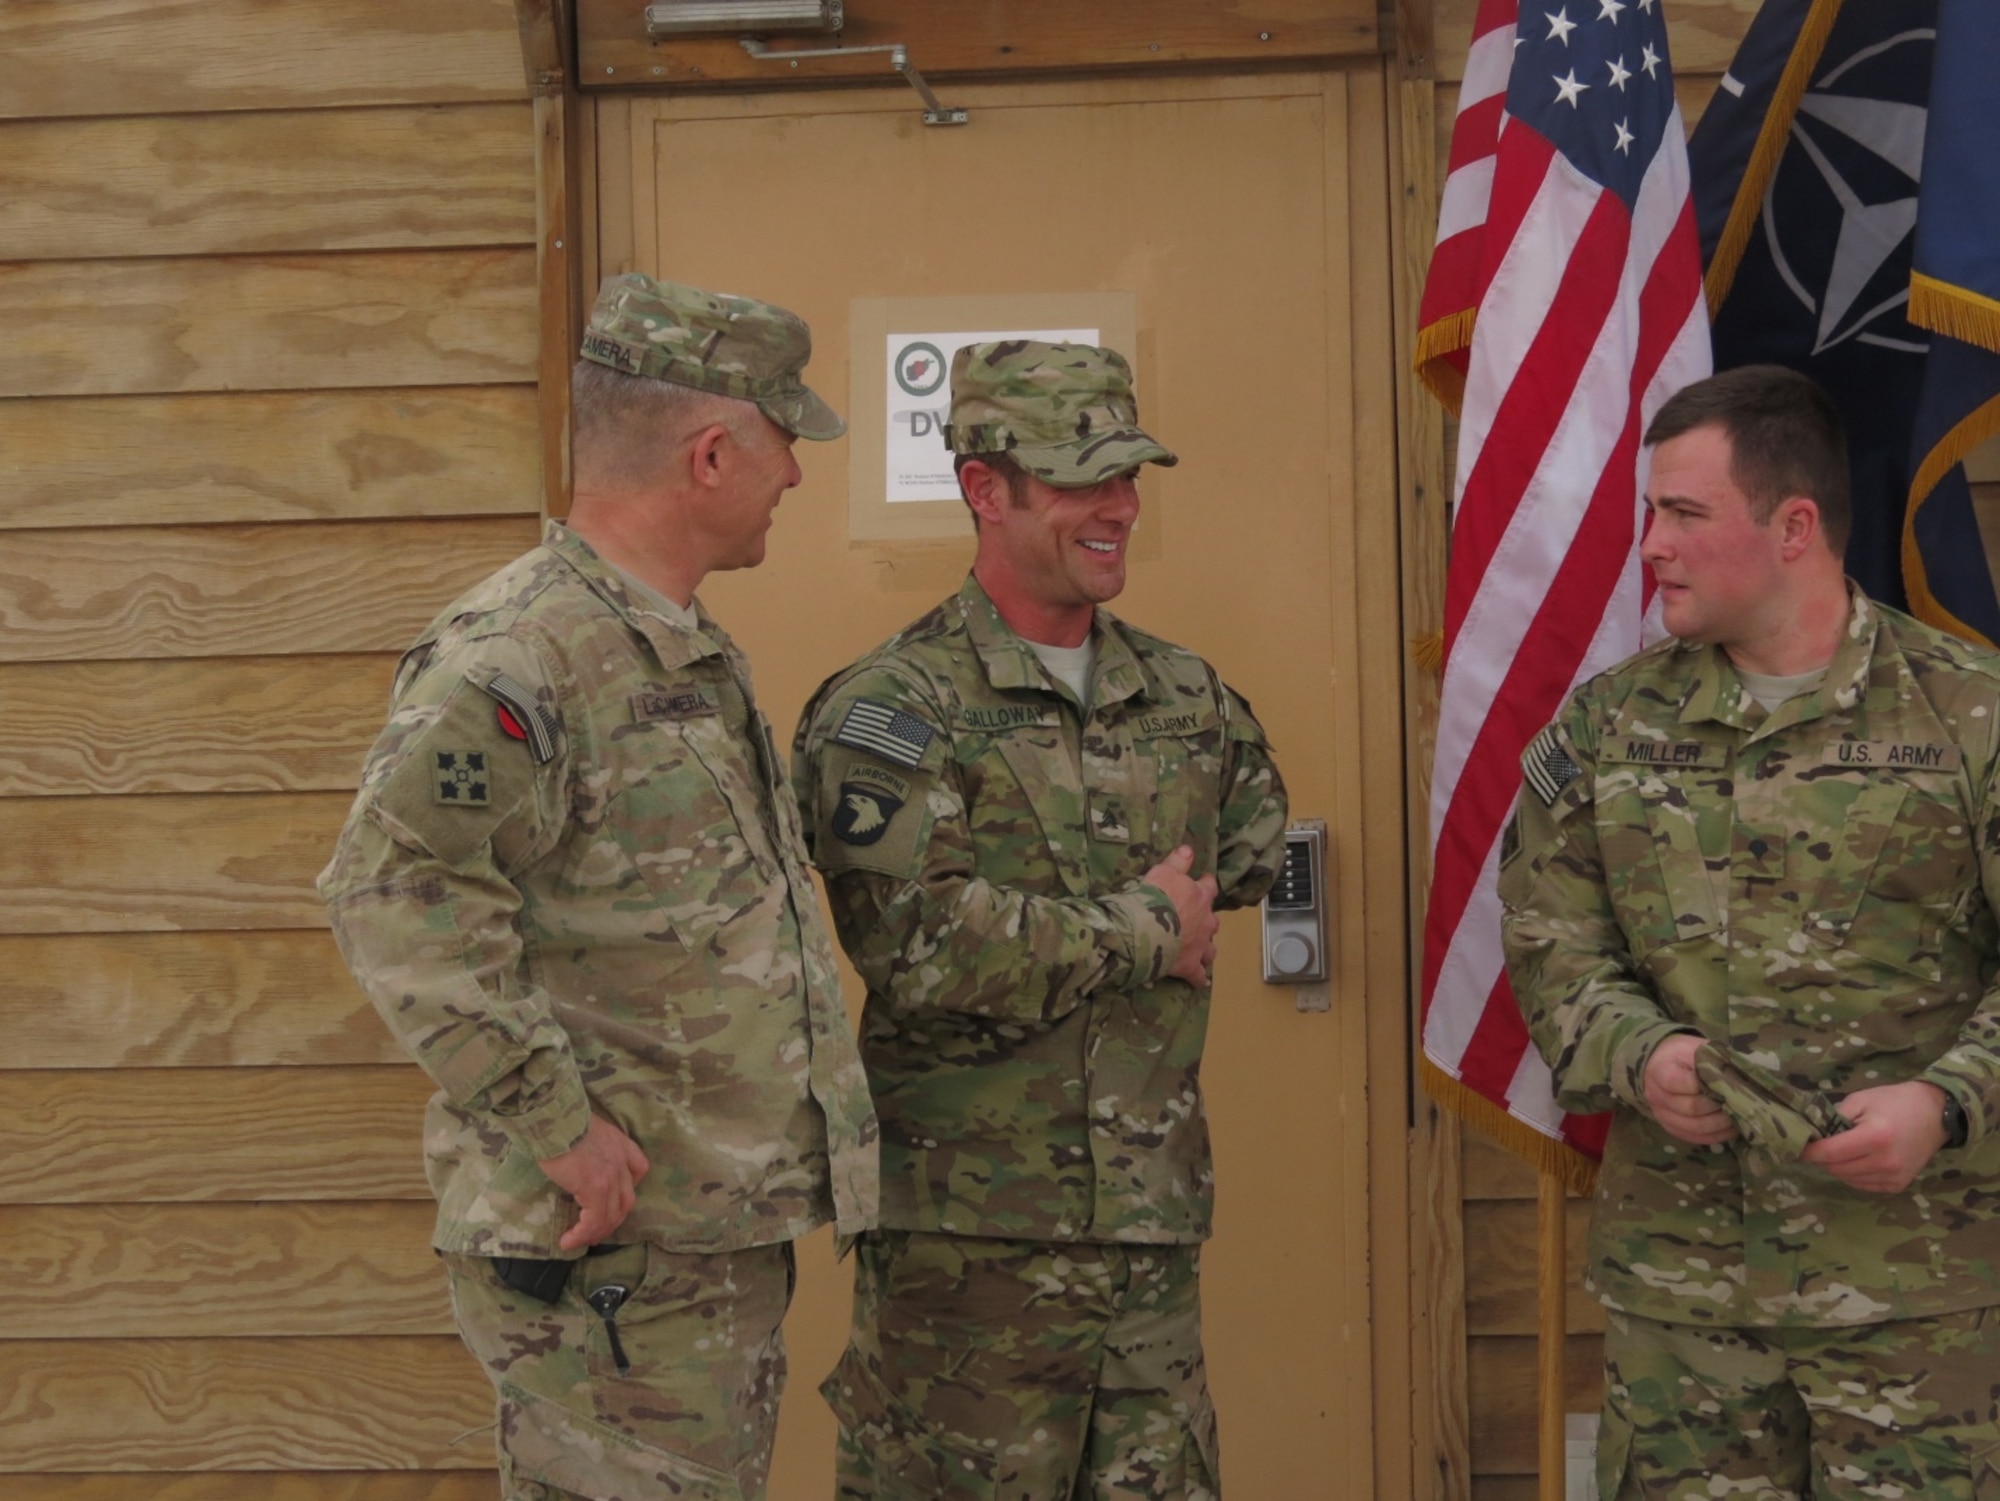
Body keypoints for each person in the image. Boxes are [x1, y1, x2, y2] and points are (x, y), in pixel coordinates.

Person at [318, 273, 877, 1501]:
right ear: (710, 454)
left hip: (688, 1246)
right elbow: (392, 888)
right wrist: (559, 1127)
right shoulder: (522, 655)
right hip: (611, 1260)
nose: (795, 473)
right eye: (784, 441)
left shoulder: (667, 643)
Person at [793, 339, 1289, 1499]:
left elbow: (1250, 849)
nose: (1117, 507)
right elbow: (921, 944)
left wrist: (1061, 926)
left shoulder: (1186, 696)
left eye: (1127, 475)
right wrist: (1143, 931)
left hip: (1147, 1240)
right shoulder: (892, 707)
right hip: (966, 1256)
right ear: (985, 488)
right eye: (1079, 478)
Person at [1499, 364, 2000, 1501]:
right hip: (1686, 1307)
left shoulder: (1969, 715)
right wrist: (1640, 1052)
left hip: (1915, 1299)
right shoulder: (1610, 724)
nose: (1650, 547)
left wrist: (1947, 1100)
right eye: (1648, 513)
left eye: (1683, 513)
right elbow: (1547, 937)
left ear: (1794, 528)